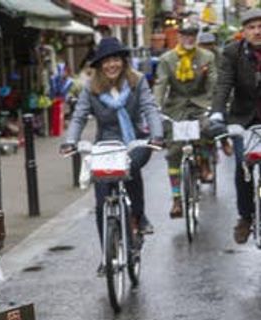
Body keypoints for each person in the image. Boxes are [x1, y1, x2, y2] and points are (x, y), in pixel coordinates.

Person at [62, 37, 164, 263]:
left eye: (116, 60)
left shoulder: (137, 81)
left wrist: (157, 136)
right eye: (106, 61)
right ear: (99, 65)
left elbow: (149, 109)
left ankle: (138, 216)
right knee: (101, 201)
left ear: (123, 61)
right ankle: (106, 257)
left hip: (135, 140)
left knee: (131, 167)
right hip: (106, 144)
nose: (111, 65)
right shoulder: (91, 87)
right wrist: (70, 141)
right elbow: (79, 116)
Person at [153, 21, 217, 218]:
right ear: (179, 37)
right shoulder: (167, 59)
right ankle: (176, 199)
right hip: (176, 107)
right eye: (185, 35)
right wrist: (156, 107)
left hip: (200, 103)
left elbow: (213, 81)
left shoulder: (207, 56)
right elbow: (161, 84)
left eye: (192, 35)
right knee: (174, 151)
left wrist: (214, 104)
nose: (189, 39)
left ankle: (204, 162)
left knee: (207, 128)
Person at [210, 9, 261, 244]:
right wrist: (217, 113)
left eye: (260, 26)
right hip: (244, 119)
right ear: (243, 32)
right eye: (251, 27)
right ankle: (245, 217)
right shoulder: (232, 52)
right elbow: (224, 84)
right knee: (244, 165)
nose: (257, 31)